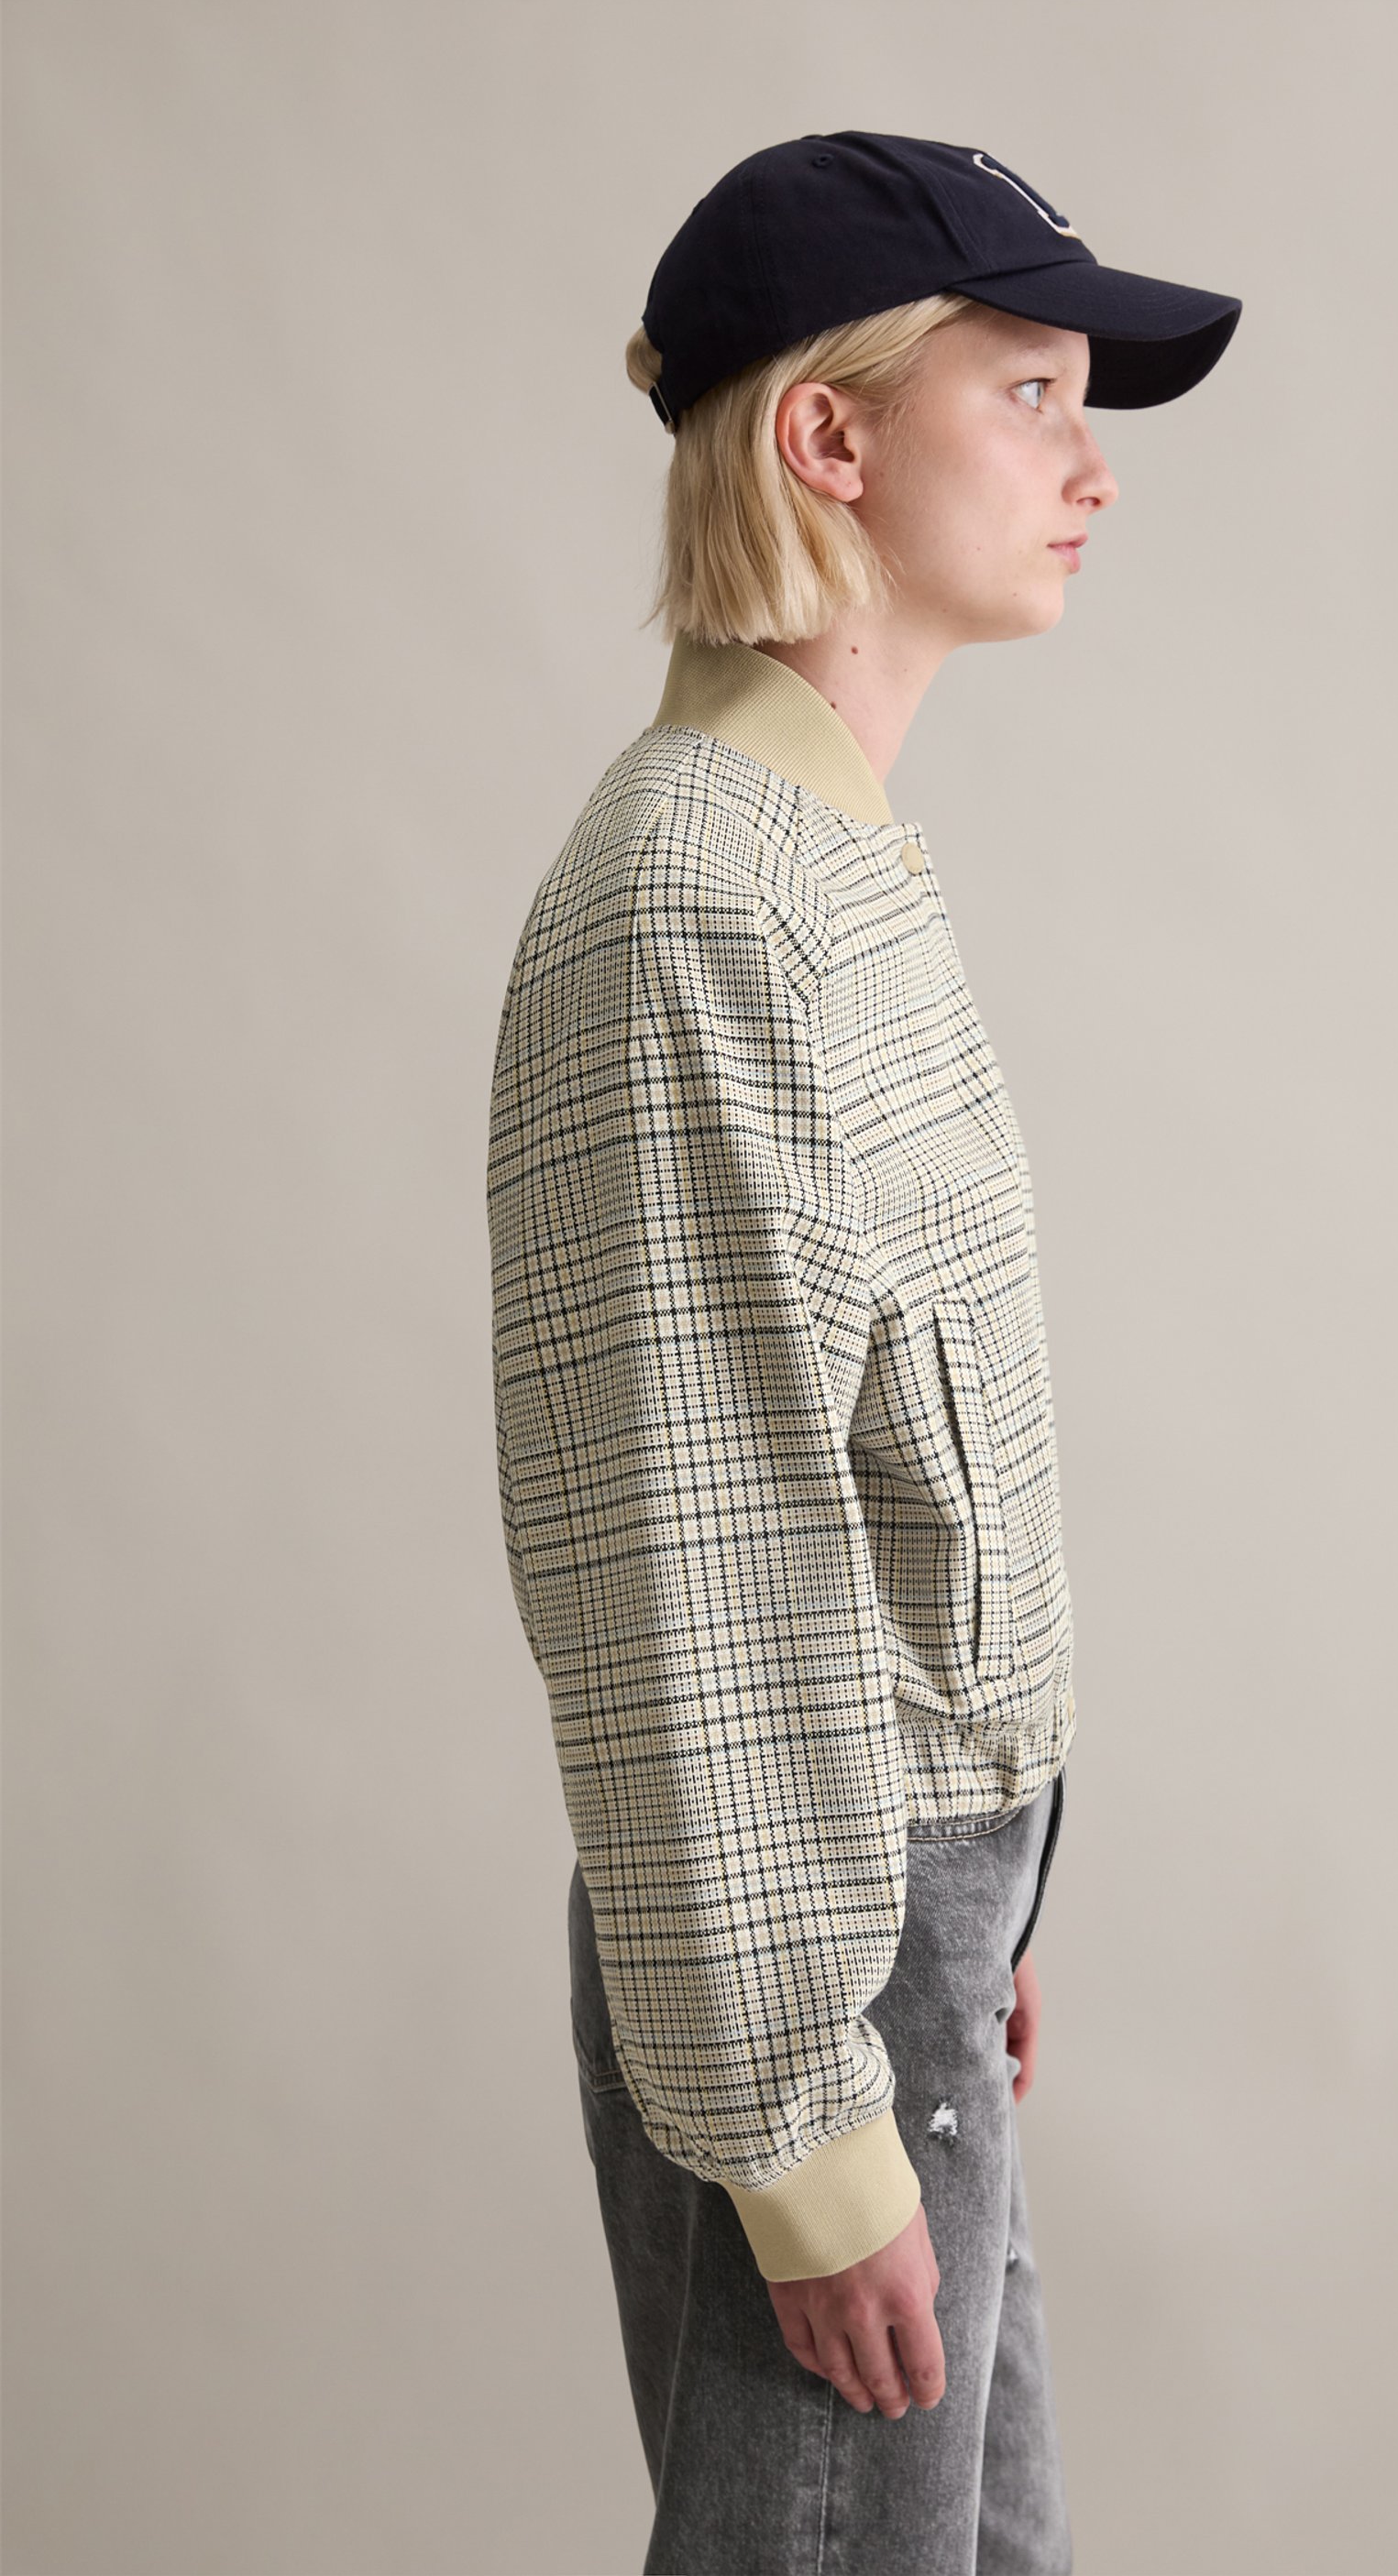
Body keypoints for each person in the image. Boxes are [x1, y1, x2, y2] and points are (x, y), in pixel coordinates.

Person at [487, 129, 1241, 2576]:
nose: (1090, 465)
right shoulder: (701, 899)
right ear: (826, 435)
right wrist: (809, 2113)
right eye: (1028, 394)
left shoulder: (819, 864)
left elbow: (881, 1471)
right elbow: (685, 1567)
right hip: (817, 1963)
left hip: (891, 1933)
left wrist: (976, 1919)